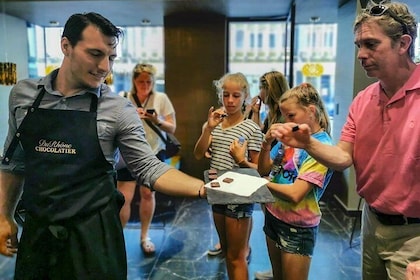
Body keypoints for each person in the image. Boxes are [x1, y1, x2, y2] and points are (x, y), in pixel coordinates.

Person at [0, 12, 206, 280]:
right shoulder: (24, 96)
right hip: (38, 233)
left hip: (95, 238)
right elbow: (14, 162)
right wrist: (4, 216)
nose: (105, 67)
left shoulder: (118, 109)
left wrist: (204, 189)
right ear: (66, 46)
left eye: (111, 58)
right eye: (95, 54)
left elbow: (148, 167)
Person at [270, 2, 420, 279]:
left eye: (371, 44)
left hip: (414, 234)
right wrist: (307, 143)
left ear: (403, 44)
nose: (361, 54)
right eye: (358, 45)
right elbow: (342, 158)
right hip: (372, 220)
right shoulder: (363, 99)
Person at [257, 83, 333, 280]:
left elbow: (295, 193)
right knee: (278, 275)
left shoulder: (322, 147)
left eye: (291, 116)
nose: (286, 121)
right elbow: (264, 169)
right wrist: (266, 143)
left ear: (311, 111)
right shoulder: (290, 138)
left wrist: (260, 184)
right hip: (274, 214)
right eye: (285, 116)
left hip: (297, 226)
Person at [194, 72, 263, 280]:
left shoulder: (251, 128)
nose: (230, 101)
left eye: (235, 95)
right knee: (226, 250)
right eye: (226, 95)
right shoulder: (214, 125)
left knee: (236, 256)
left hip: (239, 195)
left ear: (244, 97)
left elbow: (259, 169)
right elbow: (198, 154)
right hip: (218, 191)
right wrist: (209, 129)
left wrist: (241, 160)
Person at [116, 63, 176, 256]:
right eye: (141, 81)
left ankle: (145, 236)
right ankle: (118, 238)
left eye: (149, 81)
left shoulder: (161, 98)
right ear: (134, 80)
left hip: (153, 152)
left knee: (148, 194)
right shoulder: (124, 98)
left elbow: (172, 128)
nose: (145, 85)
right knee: (123, 197)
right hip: (128, 152)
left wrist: (156, 120)